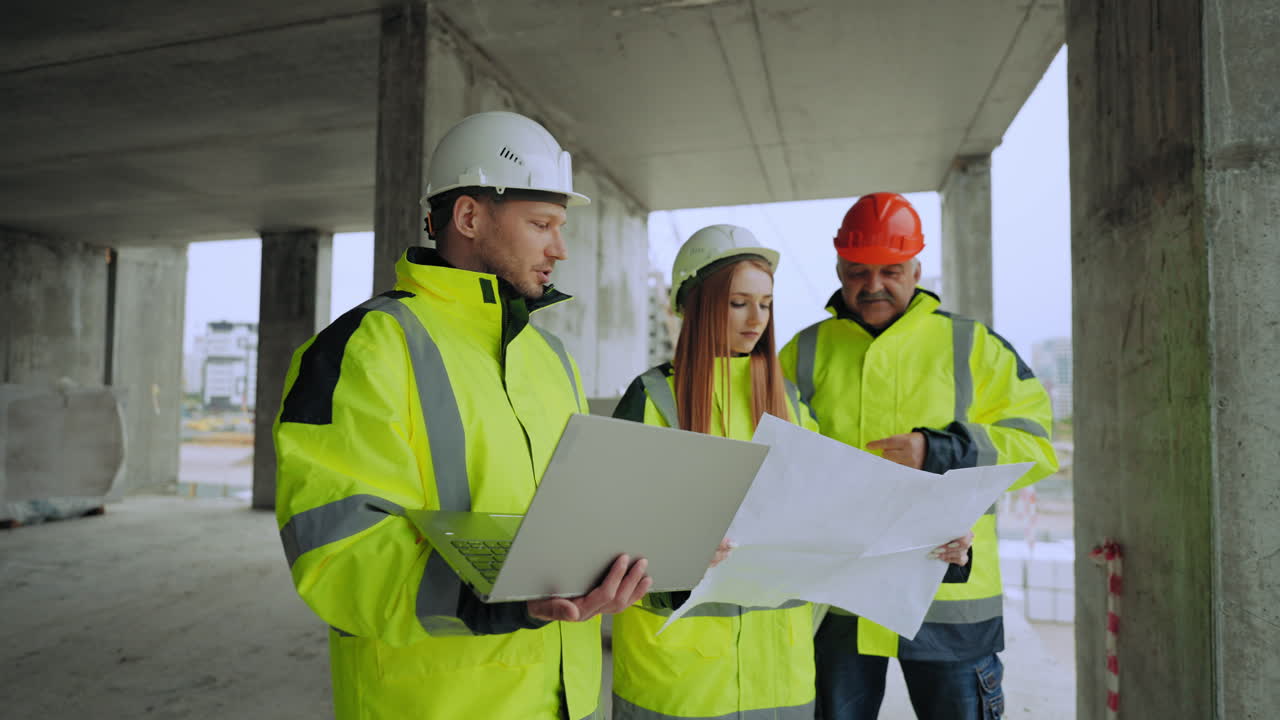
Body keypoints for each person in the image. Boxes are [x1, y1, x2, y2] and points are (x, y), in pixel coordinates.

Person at [273, 111, 651, 720]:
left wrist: (656, 544)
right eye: (541, 224)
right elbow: (337, 554)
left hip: (565, 704)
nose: (560, 248)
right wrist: (505, 599)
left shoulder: (550, 356)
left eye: (560, 227)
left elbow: (574, 517)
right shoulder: (366, 348)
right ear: (470, 217)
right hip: (436, 704)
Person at [608, 224, 971, 719]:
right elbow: (608, 534)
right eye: (739, 303)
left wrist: (934, 540)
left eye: (766, 303)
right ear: (695, 303)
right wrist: (680, 552)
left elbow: (840, 514)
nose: (756, 319)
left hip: (782, 680)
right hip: (678, 681)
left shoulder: (790, 404)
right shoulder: (652, 400)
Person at [779, 192, 1059, 719]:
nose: (873, 285)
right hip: (840, 597)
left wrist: (939, 449)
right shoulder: (803, 351)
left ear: (915, 269)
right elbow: (776, 460)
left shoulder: (971, 345)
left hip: (948, 600)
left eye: (890, 271)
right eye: (858, 272)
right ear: (839, 269)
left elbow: (1036, 447)